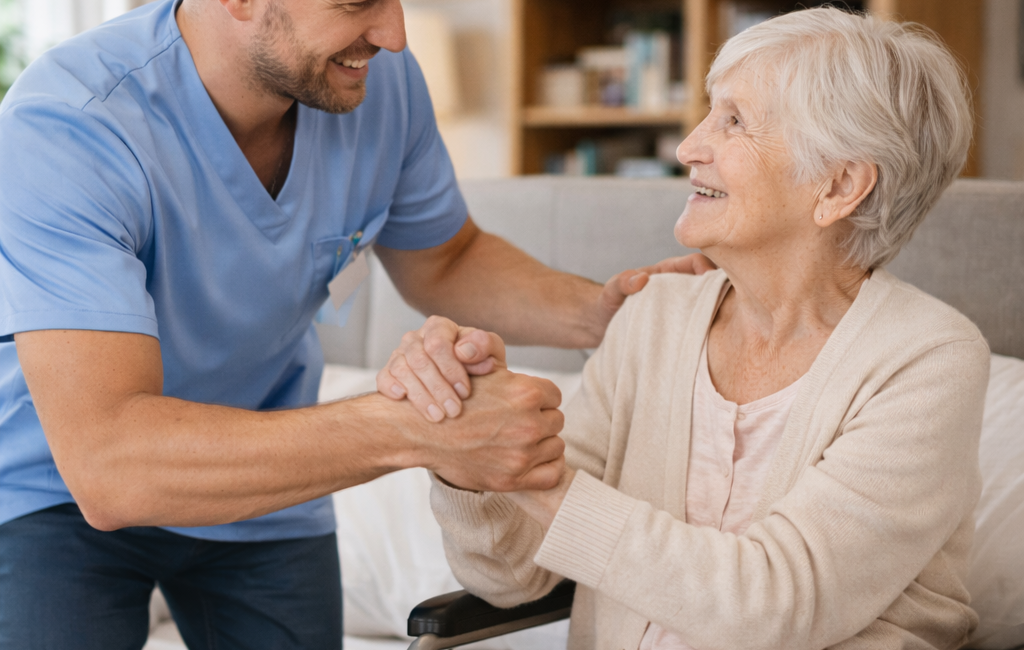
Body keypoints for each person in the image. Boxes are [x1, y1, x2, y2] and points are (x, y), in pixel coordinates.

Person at [0, 0, 711, 648]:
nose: (393, 35)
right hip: (57, 491)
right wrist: (413, 430)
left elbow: (446, 259)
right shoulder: (72, 125)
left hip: (274, 473)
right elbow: (112, 466)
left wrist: (601, 314)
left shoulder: (374, 86)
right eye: (357, 3)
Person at [427, 8, 990, 650]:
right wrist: (466, 445)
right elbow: (512, 577)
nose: (687, 147)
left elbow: (774, 607)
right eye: (708, 112)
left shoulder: (927, 360)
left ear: (838, 185)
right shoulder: (655, 316)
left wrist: (529, 470)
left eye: (735, 121)